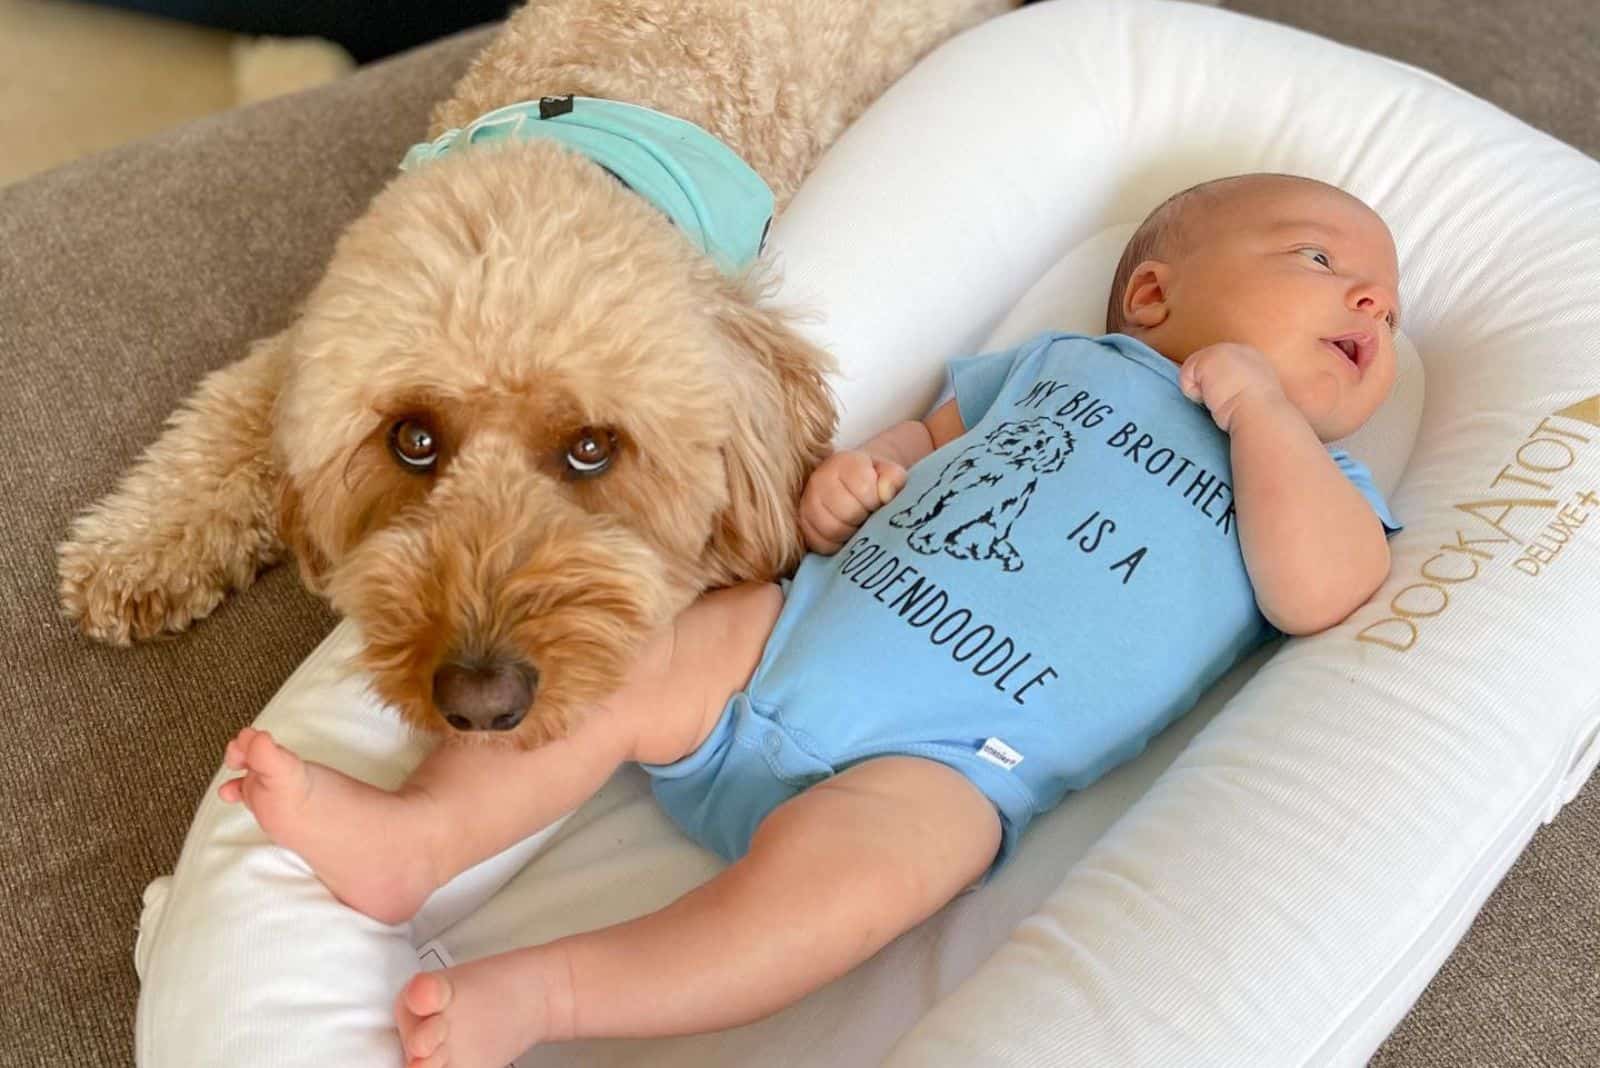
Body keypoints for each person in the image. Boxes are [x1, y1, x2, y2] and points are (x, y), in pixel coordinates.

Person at [219, 172, 1403, 1068]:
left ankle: (554, 995)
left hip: (944, 764)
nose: (1370, 304)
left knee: (856, 892)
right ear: (1152, 294)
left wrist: (1264, 419)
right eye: (1320, 259)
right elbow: (924, 441)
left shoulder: (1320, 483)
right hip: (794, 633)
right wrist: (856, 481)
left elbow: (1321, 590)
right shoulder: (1057, 366)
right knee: (653, 660)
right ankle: (416, 839)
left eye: (1387, 312)